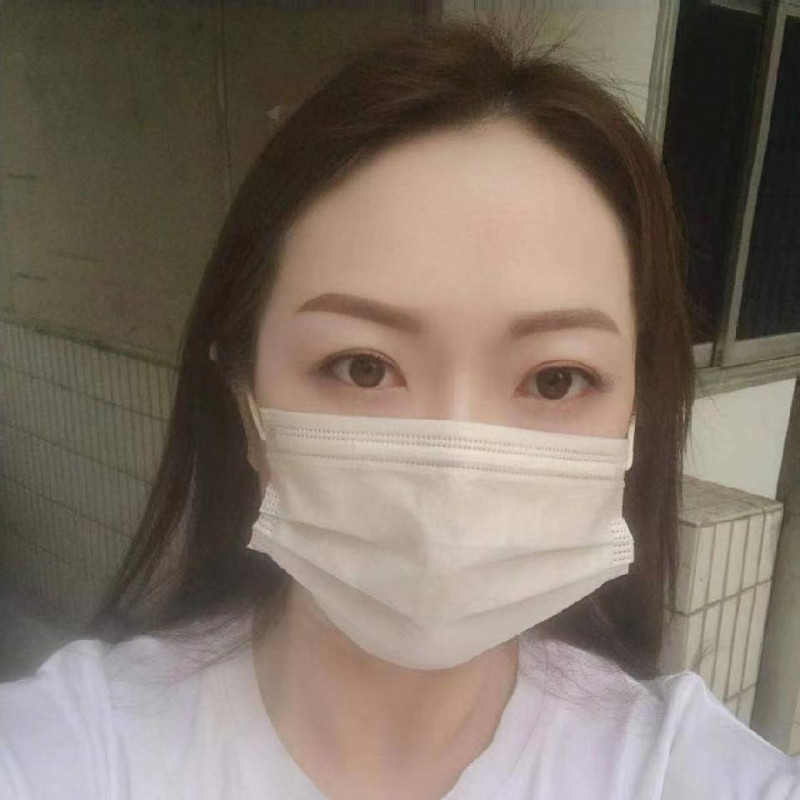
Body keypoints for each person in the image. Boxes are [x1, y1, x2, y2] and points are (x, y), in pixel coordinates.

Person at [1, 18, 798, 800]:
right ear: (245, 405)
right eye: (362, 367)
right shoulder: (69, 752)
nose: (453, 467)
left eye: (556, 379)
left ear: (635, 417)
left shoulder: (681, 772)